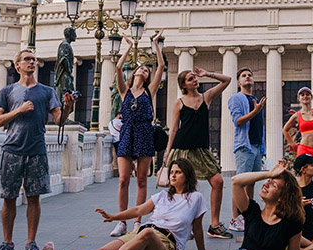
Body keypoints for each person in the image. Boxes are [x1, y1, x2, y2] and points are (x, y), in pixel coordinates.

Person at [40, 158, 219, 250]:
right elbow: (138, 210)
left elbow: (197, 228)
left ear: (187, 175)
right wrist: (113, 216)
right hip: (139, 235)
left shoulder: (196, 198)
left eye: (178, 172)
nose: (172, 175)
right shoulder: (163, 196)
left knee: (148, 232)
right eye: (171, 171)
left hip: (163, 245)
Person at [0, 49, 65, 250]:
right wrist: (19, 111)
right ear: (17, 65)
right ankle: (7, 244)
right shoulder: (7, 92)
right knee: (9, 198)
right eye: (27, 59)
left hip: (36, 150)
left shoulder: (47, 91)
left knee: (34, 198)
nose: (32, 62)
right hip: (12, 149)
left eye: (34, 60)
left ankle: (31, 244)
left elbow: (59, 120)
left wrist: (69, 105)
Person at [164, 66, 233, 239]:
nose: (194, 80)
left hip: (201, 150)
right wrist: (168, 151)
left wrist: (208, 73)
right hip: (182, 149)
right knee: (183, 189)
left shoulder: (206, 97)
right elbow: (173, 130)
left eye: (194, 77)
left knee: (217, 181)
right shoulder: (178, 102)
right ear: (183, 85)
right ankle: (180, 225)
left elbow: (227, 80)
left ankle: (215, 225)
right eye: (190, 79)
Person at [109, 31, 165, 238]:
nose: (144, 70)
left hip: (144, 134)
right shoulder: (125, 91)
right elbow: (117, 67)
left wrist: (156, 44)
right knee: (123, 179)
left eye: (146, 69)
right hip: (126, 134)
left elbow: (161, 67)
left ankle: (137, 221)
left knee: (142, 179)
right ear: (134, 72)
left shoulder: (150, 91)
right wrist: (129, 46)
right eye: (141, 67)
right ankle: (121, 221)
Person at [228, 68, 267, 233]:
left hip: (257, 145)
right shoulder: (236, 98)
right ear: (238, 82)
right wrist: (255, 111)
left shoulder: (256, 99)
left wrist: (263, 147)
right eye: (243, 76)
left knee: (251, 183)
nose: (247, 77)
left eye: (250, 75)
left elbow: (260, 125)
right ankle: (236, 219)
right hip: (245, 145)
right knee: (240, 183)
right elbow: (238, 121)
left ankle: (248, 215)